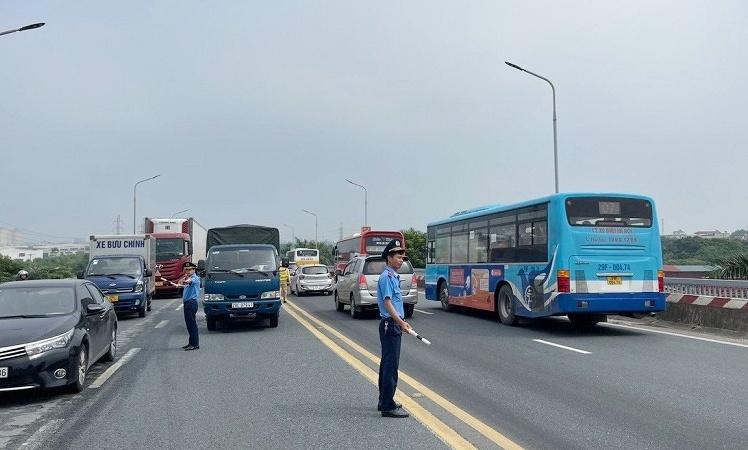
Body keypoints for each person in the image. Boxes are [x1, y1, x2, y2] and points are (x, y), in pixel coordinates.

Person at [377, 238, 411, 418]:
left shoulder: (392, 276)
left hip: (391, 324)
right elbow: (388, 303)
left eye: (403, 257)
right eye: (398, 257)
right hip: (391, 325)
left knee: (387, 364)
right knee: (391, 366)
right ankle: (387, 406)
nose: (401, 260)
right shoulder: (387, 277)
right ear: (389, 258)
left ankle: (384, 400)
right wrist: (401, 322)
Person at [180, 261, 201, 350]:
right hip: (188, 303)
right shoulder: (188, 277)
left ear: (194, 269)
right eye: (186, 270)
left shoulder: (195, 278)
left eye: (189, 270)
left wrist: (185, 281)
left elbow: (189, 281)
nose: (187, 271)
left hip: (191, 303)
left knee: (192, 324)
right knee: (189, 324)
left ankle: (195, 344)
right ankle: (191, 342)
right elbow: (184, 282)